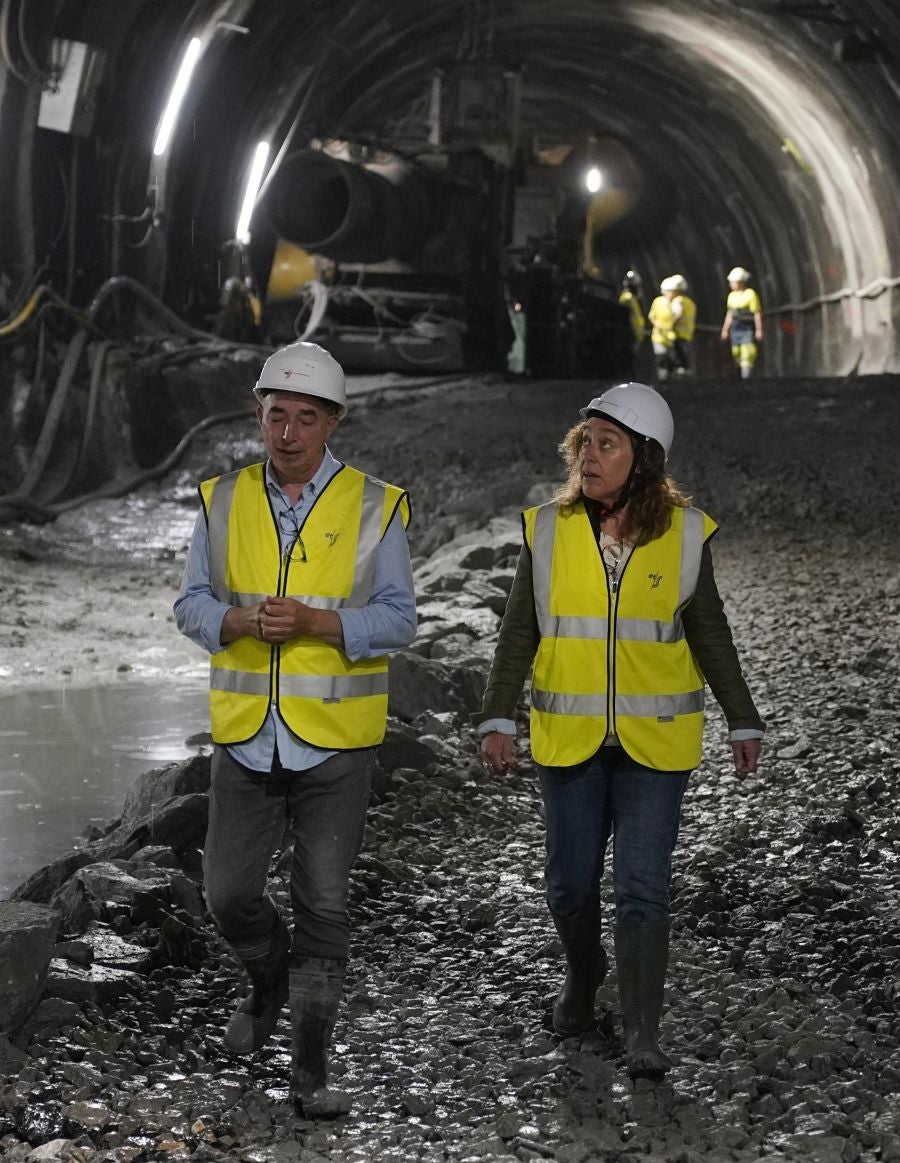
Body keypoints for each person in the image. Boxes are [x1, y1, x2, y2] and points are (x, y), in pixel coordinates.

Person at [475, 382, 764, 1080]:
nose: (591, 455)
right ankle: (585, 970)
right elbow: (519, 629)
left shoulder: (687, 533)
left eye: (608, 443)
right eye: (586, 442)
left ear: (645, 459)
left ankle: (642, 1031)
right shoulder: (545, 529)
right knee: (569, 886)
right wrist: (496, 715)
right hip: (570, 738)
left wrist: (742, 716)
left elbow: (709, 628)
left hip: (655, 742)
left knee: (644, 886)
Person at [174, 340, 416, 1118]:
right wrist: (233, 619)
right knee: (229, 893)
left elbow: (401, 619)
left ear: (332, 423)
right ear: (258, 413)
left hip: (337, 741)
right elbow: (190, 604)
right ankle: (269, 976)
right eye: (276, 414)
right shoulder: (221, 499)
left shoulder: (377, 505)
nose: (287, 431)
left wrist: (320, 621)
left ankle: (310, 1067)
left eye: (305, 418)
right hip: (247, 731)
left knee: (324, 902)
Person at [648, 275, 695, 382]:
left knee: (673, 360)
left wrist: (670, 326)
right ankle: (663, 380)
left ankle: (672, 382)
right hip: (659, 336)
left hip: (671, 336)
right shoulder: (658, 301)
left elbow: (678, 314)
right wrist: (659, 325)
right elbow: (651, 316)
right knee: (661, 358)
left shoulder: (676, 302)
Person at [721, 266, 764, 379]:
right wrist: (725, 329)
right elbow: (730, 314)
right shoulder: (731, 296)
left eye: (733, 282)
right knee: (736, 352)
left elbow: (757, 313)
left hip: (747, 327)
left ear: (740, 282)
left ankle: (747, 377)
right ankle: (739, 375)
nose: (731, 284)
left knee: (747, 352)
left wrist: (759, 330)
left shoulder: (750, 294)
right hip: (736, 327)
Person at [618, 269, 646, 351]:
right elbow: (626, 318)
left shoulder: (632, 298)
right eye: (636, 286)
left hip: (636, 335)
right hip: (631, 336)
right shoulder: (627, 298)